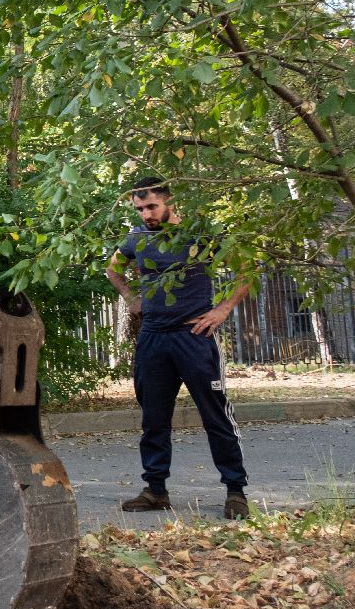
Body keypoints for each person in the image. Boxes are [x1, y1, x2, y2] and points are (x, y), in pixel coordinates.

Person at [106, 176, 252, 519]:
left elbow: (247, 270)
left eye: (151, 206)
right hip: (153, 339)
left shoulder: (200, 234)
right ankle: (156, 490)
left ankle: (235, 491)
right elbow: (113, 269)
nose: (146, 214)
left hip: (194, 337)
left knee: (216, 416)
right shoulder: (137, 239)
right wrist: (130, 297)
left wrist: (223, 309)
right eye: (140, 208)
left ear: (170, 201)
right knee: (153, 418)